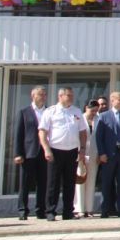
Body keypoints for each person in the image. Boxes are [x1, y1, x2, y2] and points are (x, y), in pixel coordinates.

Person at [37, 87, 87, 221]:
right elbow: (42, 132)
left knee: (70, 183)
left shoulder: (76, 111)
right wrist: (46, 149)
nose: (71, 98)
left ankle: (68, 212)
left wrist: (82, 149)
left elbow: (83, 132)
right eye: (68, 95)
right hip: (55, 150)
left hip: (72, 151)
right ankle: (50, 211)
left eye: (72, 95)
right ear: (60, 96)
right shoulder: (50, 111)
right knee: (53, 183)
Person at [94, 91, 120, 218]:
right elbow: (99, 137)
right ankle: (105, 209)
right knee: (107, 183)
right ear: (112, 101)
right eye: (119, 100)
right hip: (108, 155)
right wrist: (101, 153)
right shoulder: (104, 116)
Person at [13, 85, 48, 220]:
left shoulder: (49, 112)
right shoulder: (24, 112)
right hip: (29, 153)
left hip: (45, 152)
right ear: (33, 96)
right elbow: (19, 134)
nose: (43, 97)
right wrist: (18, 153)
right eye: (40, 94)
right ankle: (23, 210)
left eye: (44, 94)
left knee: (43, 183)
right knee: (25, 183)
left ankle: (41, 210)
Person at [73, 99, 100, 218]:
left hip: (94, 154)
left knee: (91, 181)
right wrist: (80, 152)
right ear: (86, 108)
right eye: (92, 110)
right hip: (81, 154)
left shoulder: (99, 119)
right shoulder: (80, 119)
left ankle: (89, 208)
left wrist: (100, 153)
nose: (94, 113)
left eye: (96, 110)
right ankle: (79, 208)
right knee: (80, 181)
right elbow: (76, 136)